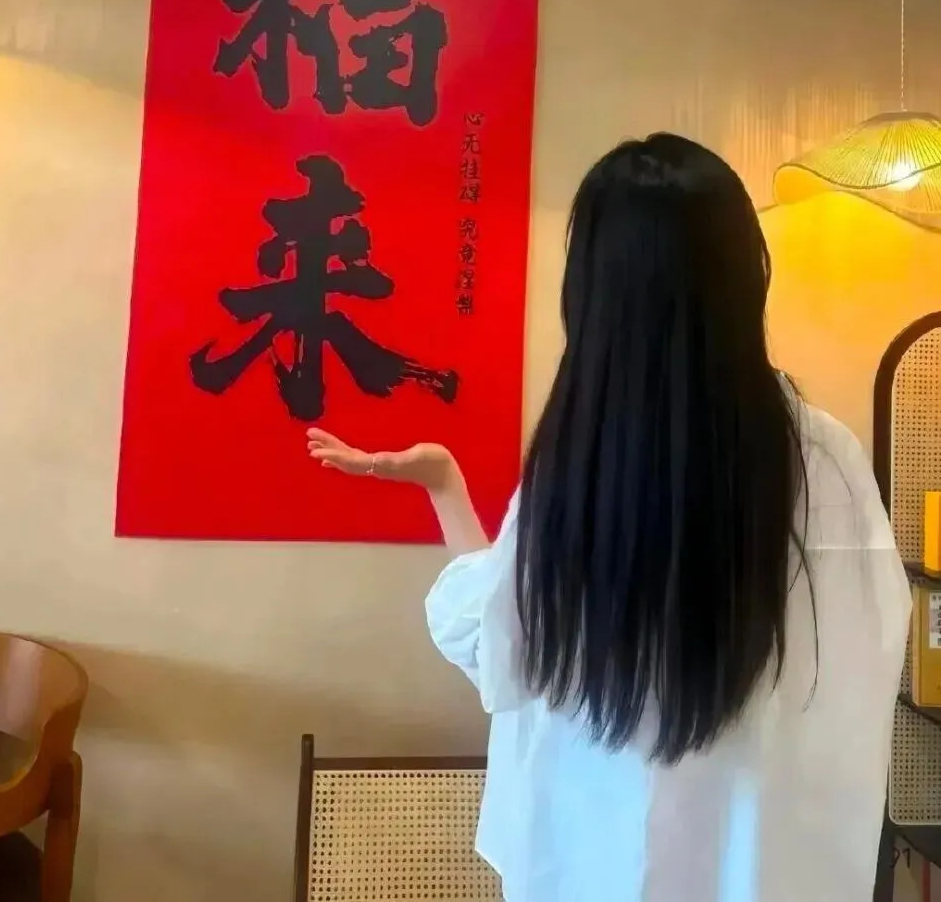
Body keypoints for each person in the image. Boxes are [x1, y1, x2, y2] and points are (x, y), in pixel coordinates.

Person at [306, 133, 911, 902]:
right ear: (747, 275)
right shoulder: (823, 459)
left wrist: (446, 491)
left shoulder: (582, 464)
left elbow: (503, 650)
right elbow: (862, 672)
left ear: (591, 292)